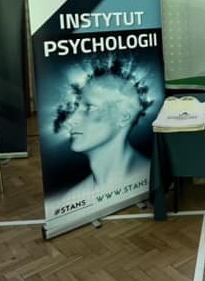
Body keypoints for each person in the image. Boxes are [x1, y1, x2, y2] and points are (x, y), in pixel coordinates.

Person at [51, 57, 154, 209]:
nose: (70, 120)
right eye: (75, 108)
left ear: (123, 117)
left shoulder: (151, 174)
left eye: (90, 108)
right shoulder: (71, 199)